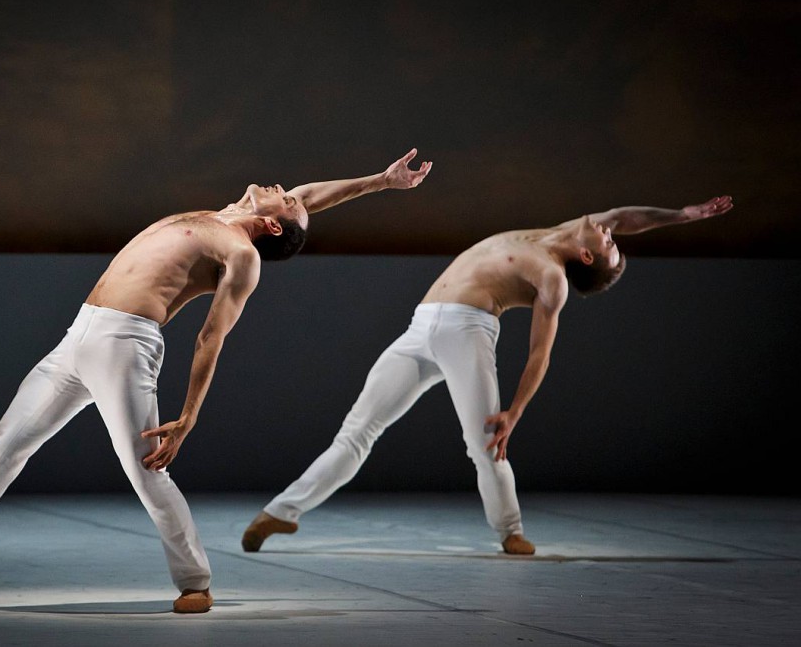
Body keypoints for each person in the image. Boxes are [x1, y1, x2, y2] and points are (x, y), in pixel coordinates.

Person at [0, 149, 433, 613]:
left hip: (127, 344)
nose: (285, 186)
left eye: (283, 199)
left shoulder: (241, 252)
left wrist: (190, 414)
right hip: (78, 334)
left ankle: (195, 581)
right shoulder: (226, 217)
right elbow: (307, 201)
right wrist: (381, 182)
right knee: (1, 451)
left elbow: (211, 337)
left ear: (272, 228)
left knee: (144, 468)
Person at [242, 196, 734, 555]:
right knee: (356, 432)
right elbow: (625, 217)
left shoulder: (553, 276)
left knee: (485, 443)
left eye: (609, 246)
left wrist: (516, 409)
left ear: (587, 258)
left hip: (467, 331)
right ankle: (280, 514)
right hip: (420, 326)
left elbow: (540, 352)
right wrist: (684, 216)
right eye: (612, 240)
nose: (610, 233)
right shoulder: (557, 231)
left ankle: (510, 531)